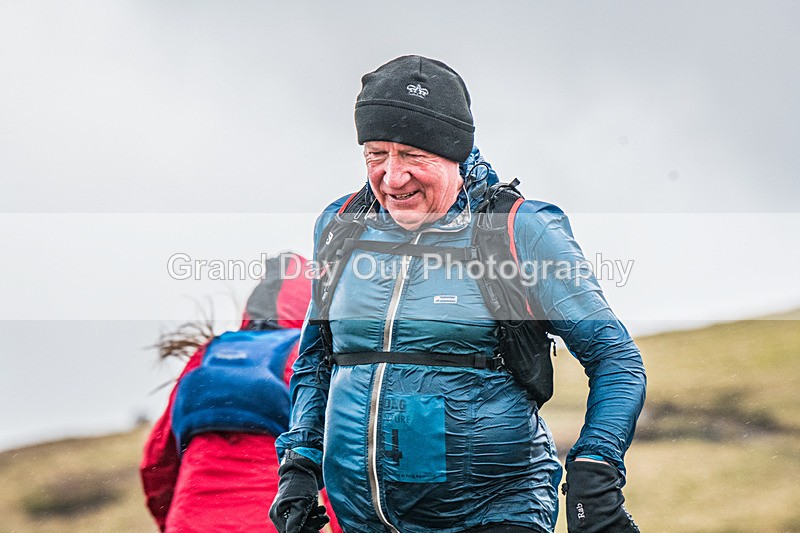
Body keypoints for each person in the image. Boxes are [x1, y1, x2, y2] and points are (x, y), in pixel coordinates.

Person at [271, 56, 646, 533]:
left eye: (412, 155)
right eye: (375, 154)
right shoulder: (340, 225)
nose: (392, 176)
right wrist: (299, 465)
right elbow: (317, 358)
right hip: (364, 520)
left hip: (493, 516)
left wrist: (596, 471)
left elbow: (615, 358)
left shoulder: (518, 229)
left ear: (454, 152)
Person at [141, 253, 341, 533]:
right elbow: (337, 462)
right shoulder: (306, 358)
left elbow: (157, 463)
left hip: (188, 523)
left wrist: (169, 521)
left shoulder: (208, 354)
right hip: (270, 523)